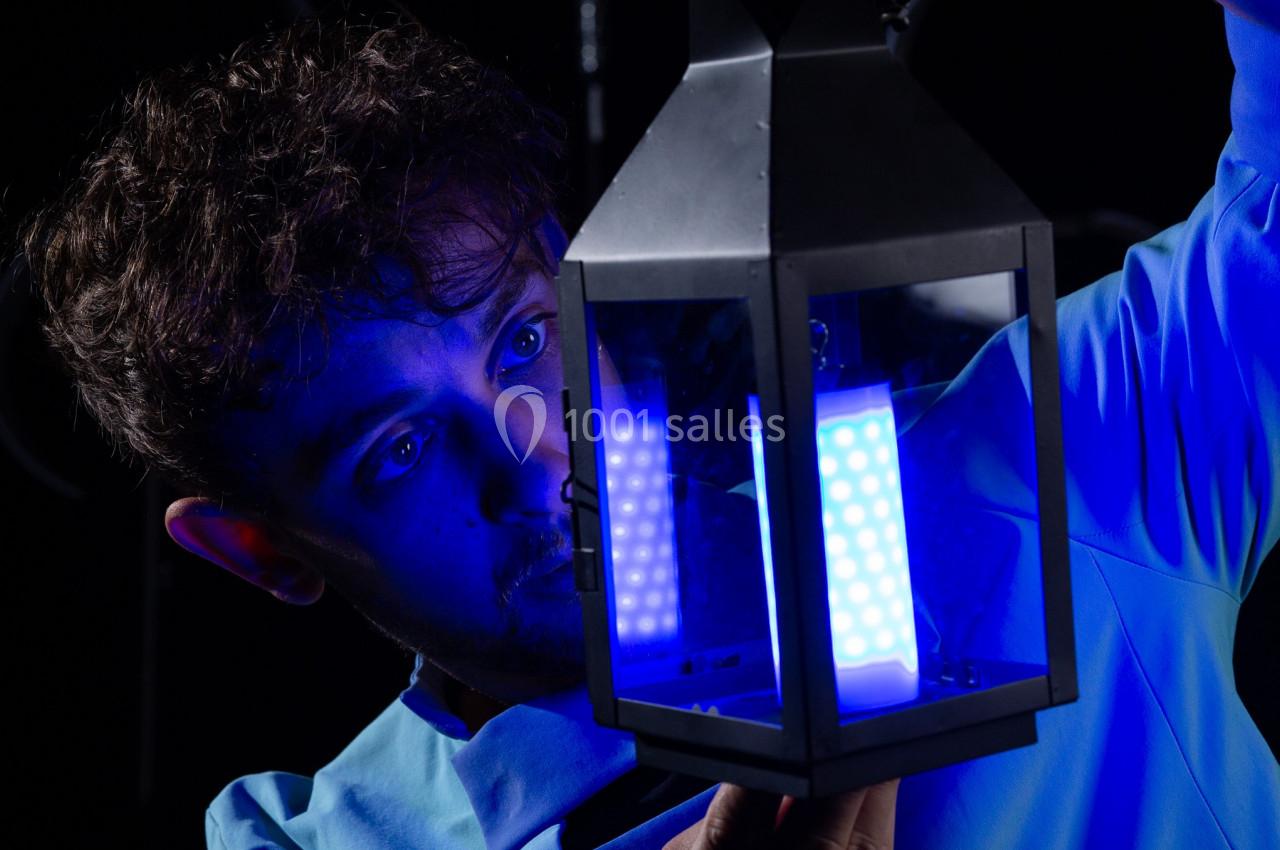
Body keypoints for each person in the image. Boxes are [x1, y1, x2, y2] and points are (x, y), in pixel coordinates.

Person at [18, 1, 1277, 847]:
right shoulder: (307, 837)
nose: (535, 458)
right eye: (396, 450)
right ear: (261, 549)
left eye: (521, 337)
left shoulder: (1059, 477)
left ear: (582, 272)